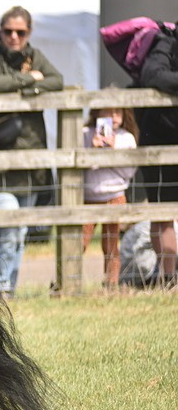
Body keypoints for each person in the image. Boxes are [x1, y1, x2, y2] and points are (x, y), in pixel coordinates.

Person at [0, 7, 64, 296]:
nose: (13, 36)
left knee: (20, 230)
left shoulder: (33, 55)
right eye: (8, 31)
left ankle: (10, 287)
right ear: (0, 30)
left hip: (31, 159)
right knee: (8, 223)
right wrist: (29, 80)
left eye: (20, 32)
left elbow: (57, 80)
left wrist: (31, 84)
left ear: (28, 33)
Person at [137, 26, 178, 285]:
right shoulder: (165, 43)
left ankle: (167, 275)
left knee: (163, 213)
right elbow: (153, 76)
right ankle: (168, 277)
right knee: (163, 212)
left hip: (166, 136)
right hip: (161, 139)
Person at [82, 107, 139, 288]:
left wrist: (114, 151)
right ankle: (68, 280)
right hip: (88, 197)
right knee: (80, 241)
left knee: (111, 243)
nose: (113, 117)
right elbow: (77, 169)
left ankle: (111, 283)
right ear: (97, 114)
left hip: (115, 195)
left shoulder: (126, 138)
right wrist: (93, 151)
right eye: (108, 112)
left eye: (118, 112)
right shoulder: (85, 134)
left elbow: (129, 172)